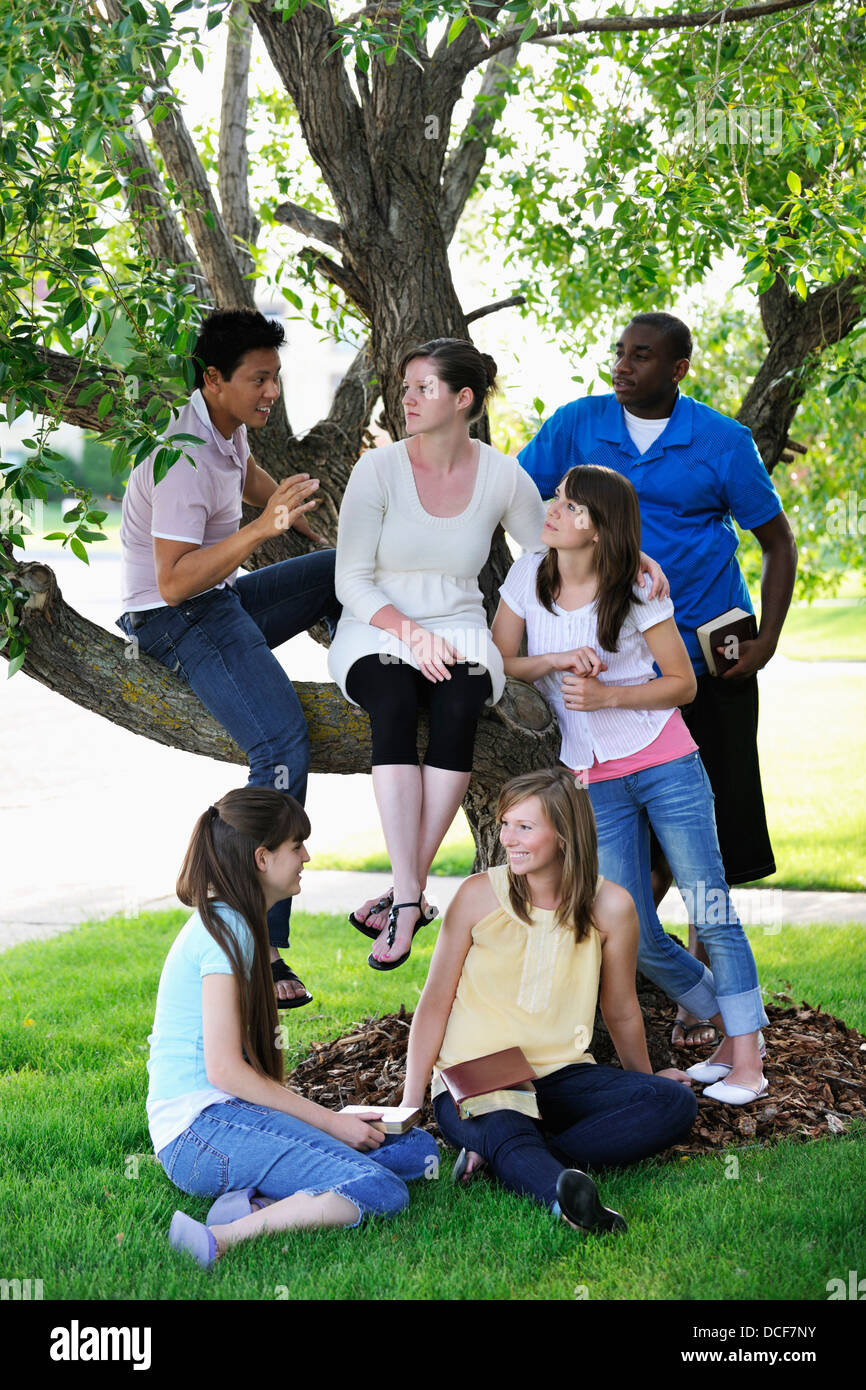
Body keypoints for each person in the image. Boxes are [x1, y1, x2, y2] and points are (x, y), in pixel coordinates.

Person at [517, 313, 797, 1048]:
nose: (623, 364)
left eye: (642, 355)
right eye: (620, 351)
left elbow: (776, 541)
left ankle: (709, 1008)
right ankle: (655, 978)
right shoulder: (580, 424)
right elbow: (517, 498)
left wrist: (765, 640)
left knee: (712, 846)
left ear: (677, 368)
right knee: (621, 859)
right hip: (606, 690)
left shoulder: (723, 443)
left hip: (703, 662)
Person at [492, 465, 769, 1105]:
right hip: (594, 781)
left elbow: (683, 683)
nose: (553, 509)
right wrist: (557, 662)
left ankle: (749, 1065)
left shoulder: (636, 586)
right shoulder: (527, 576)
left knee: (709, 904)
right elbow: (501, 658)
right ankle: (731, 1022)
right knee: (633, 930)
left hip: (664, 759)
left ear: (599, 528)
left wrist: (609, 694)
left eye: (570, 505)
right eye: (557, 498)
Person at [118, 308, 340, 1008]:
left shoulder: (228, 428)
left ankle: (374, 676)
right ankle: (258, 944)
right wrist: (265, 530)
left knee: (337, 568)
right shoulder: (180, 458)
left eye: (275, 376)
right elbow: (175, 581)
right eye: (258, 379)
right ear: (214, 379)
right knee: (280, 747)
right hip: (177, 618)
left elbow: (245, 475)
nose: (271, 391)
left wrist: (284, 503)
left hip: (219, 601)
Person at [327, 337, 548, 972]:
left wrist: (628, 554)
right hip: (377, 626)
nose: (408, 399)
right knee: (393, 699)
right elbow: (352, 580)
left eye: (423, 388)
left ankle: (402, 896)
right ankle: (411, 897)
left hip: (461, 628)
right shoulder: (378, 469)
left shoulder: (503, 475)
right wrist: (409, 634)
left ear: (463, 399)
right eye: (406, 388)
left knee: (458, 703)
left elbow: (547, 553)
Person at [149, 787, 439, 1269]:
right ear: (262, 858)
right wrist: (329, 1123)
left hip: (229, 1118)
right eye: (296, 845)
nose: (306, 856)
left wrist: (332, 1126)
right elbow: (224, 1070)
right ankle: (223, 1234)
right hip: (201, 1132)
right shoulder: (227, 930)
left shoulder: (237, 921)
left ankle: (259, 1195)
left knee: (415, 1152)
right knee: (381, 1188)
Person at [399, 768, 698, 1233]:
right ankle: (568, 1201)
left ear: (564, 835)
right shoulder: (478, 895)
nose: (508, 839)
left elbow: (619, 1008)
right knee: (504, 1126)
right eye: (505, 824)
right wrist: (411, 1097)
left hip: (563, 1076)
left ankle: (509, 1160)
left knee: (673, 1104)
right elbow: (436, 1000)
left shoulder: (611, 906)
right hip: (478, 1074)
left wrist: (645, 1082)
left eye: (525, 827)